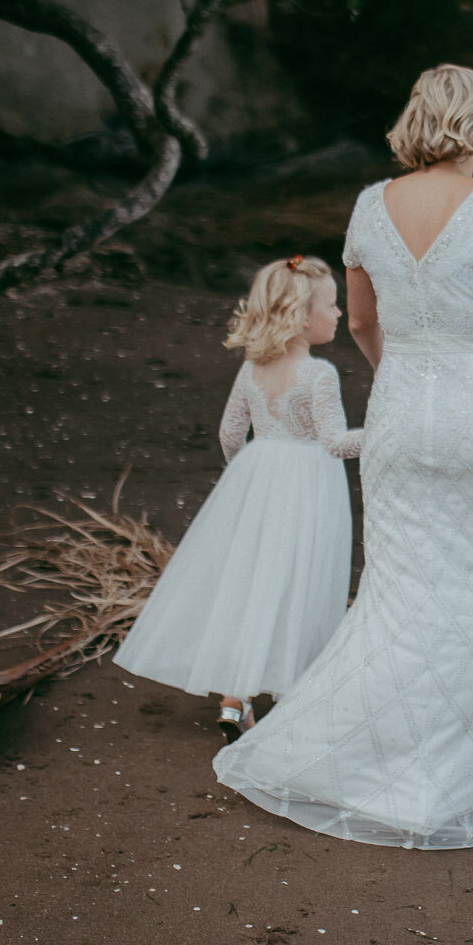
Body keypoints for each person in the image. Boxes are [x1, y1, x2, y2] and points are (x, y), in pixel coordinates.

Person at [214, 64, 473, 849]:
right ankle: (470, 764)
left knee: (401, 590)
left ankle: (380, 755)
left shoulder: (366, 207)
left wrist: (404, 375)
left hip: (399, 412)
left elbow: (360, 320)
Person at [114, 255, 363, 741]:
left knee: (252, 584)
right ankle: (292, 693)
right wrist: (387, 433)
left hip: (258, 478)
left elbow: (231, 434)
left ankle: (235, 699)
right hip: (309, 486)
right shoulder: (320, 375)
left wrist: (248, 482)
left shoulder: (253, 369)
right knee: (297, 583)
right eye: (332, 306)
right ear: (300, 316)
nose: (339, 314)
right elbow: (335, 443)